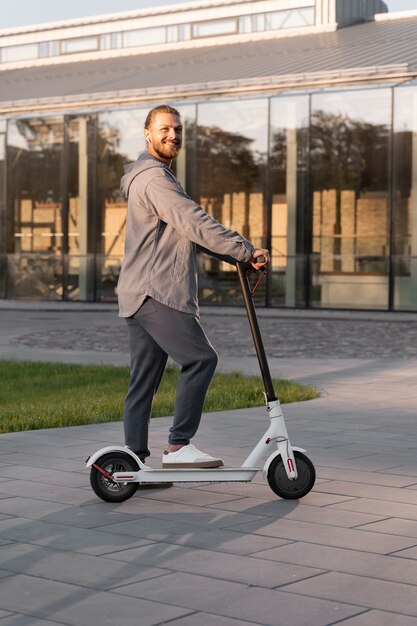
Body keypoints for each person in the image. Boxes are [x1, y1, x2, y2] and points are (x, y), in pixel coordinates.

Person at [118, 104, 269, 470]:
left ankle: (133, 462)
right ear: (147, 133)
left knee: (143, 383)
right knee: (202, 359)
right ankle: (178, 445)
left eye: (178, 130)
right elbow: (195, 222)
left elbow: (187, 234)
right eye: (165, 129)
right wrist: (244, 249)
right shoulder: (155, 178)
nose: (173, 135)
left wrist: (238, 258)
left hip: (138, 293)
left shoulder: (152, 177)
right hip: (157, 291)